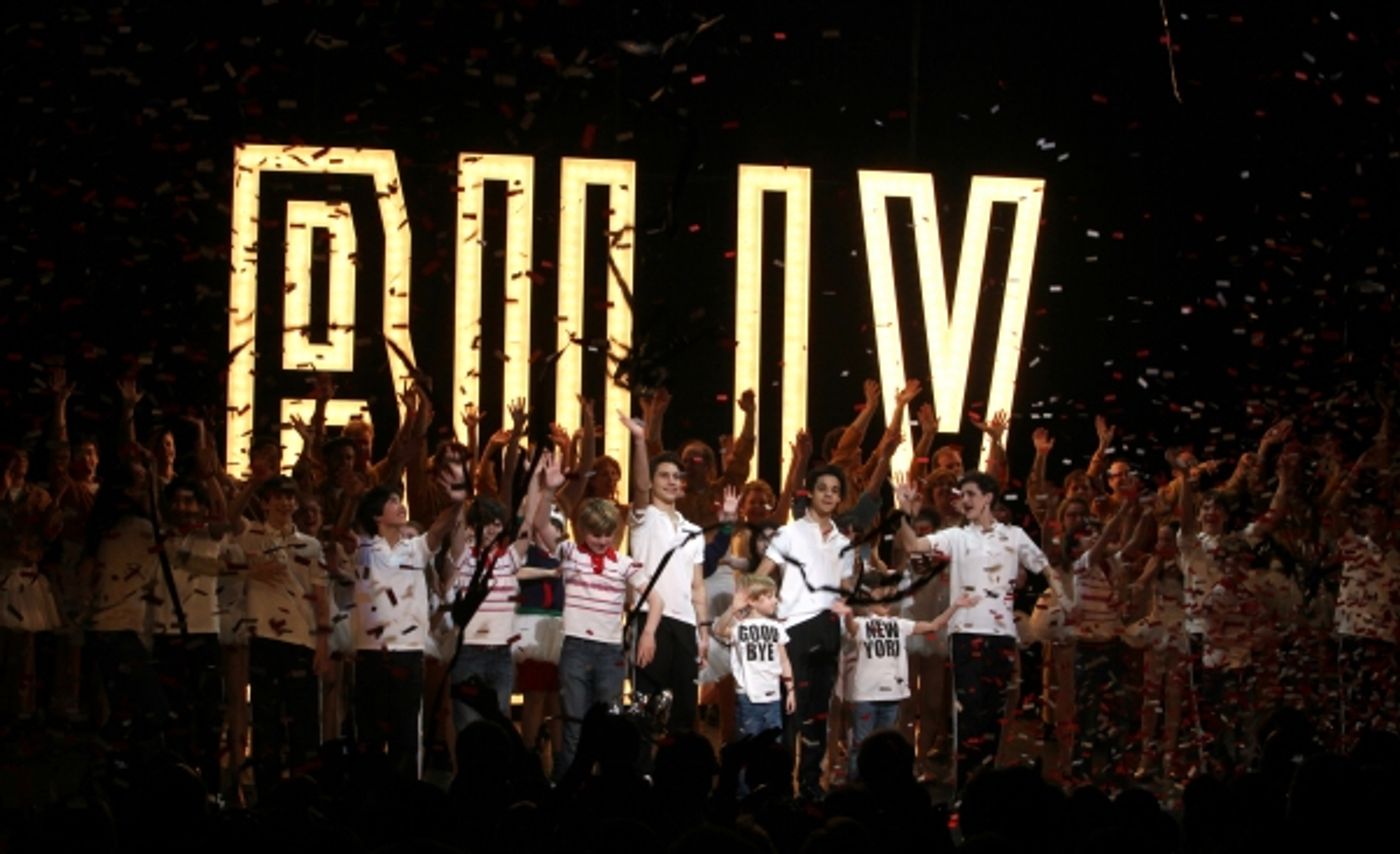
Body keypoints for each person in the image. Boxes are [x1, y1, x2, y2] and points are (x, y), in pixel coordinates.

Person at [895, 470, 1060, 787]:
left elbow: (1042, 564)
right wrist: (903, 511)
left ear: (988, 498)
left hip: (1002, 636)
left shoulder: (1013, 535)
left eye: (971, 494)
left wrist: (1063, 596)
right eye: (962, 495)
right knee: (968, 714)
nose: (964, 500)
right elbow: (915, 545)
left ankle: (987, 785)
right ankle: (967, 787)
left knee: (993, 714)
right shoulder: (956, 537)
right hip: (966, 635)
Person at [532, 452, 663, 779]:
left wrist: (648, 634)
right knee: (575, 723)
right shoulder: (571, 553)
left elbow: (656, 600)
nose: (602, 541)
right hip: (575, 648)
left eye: (608, 534)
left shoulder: (623, 563)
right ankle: (569, 789)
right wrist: (548, 490)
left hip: (610, 653)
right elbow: (539, 525)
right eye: (595, 534)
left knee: (610, 726)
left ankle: (609, 788)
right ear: (581, 530)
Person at [351, 480, 463, 778]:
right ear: (377, 516)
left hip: (409, 654)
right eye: (392, 501)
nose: (401, 505)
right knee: (370, 736)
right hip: (371, 655)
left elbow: (439, 529)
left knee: (406, 734)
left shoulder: (415, 549)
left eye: (400, 499)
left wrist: (456, 501)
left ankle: (405, 804)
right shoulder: (362, 549)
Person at [756, 464, 854, 800]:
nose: (829, 494)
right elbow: (762, 574)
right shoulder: (789, 533)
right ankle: (781, 784)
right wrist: (756, 608)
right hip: (795, 627)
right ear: (810, 493)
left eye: (835, 490)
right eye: (823, 488)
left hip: (829, 628)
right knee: (791, 711)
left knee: (818, 711)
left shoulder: (844, 541)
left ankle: (811, 783)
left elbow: (845, 587)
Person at [233, 475, 329, 796]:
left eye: (290, 497)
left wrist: (323, 642)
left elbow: (321, 594)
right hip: (264, 640)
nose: (285, 503)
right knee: (265, 723)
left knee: (304, 725)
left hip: (302, 641)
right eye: (278, 497)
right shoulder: (250, 536)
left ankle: (307, 795)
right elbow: (226, 528)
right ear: (265, 502)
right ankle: (267, 796)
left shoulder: (311, 545)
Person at [833, 581, 979, 776]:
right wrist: (847, 611)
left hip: (892, 697)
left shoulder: (900, 625)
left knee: (884, 747)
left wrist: (956, 606)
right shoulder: (862, 624)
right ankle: (858, 789)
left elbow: (934, 625)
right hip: (866, 697)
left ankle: (881, 787)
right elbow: (850, 626)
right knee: (861, 746)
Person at [623, 414, 710, 735]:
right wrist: (638, 441)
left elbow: (698, 587)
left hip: (686, 625)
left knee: (685, 710)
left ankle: (680, 779)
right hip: (650, 619)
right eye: (665, 476)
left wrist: (704, 632)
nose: (672, 481)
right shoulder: (644, 518)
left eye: (676, 476)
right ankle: (642, 776)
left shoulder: (694, 530)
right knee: (647, 708)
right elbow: (641, 485)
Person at [713, 573, 793, 736]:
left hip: (773, 698)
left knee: (772, 746)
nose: (775, 601)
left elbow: (784, 661)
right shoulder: (740, 627)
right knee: (749, 747)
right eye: (770, 597)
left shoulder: (776, 627)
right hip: (748, 698)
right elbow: (719, 630)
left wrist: (790, 690)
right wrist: (732, 609)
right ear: (753, 601)